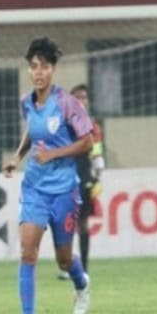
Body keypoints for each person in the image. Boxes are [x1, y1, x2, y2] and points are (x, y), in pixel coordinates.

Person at [3, 38, 94, 314]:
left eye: (44, 67)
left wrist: (54, 154)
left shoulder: (67, 103)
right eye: (33, 67)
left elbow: (88, 141)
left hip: (64, 191)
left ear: (53, 69)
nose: (38, 72)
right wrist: (17, 157)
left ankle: (81, 284)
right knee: (27, 252)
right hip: (34, 189)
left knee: (64, 260)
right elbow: (32, 130)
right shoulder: (26, 102)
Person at [56, 83, 104, 279]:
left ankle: (83, 268)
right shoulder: (63, 125)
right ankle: (67, 265)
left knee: (82, 222)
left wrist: (98, 177)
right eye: (77, 97)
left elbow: (97, 153)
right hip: (65, 176)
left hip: (84, 177)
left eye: (84, 97)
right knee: (63, 221)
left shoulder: (93, 127)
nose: (81, 101)